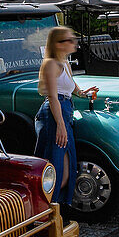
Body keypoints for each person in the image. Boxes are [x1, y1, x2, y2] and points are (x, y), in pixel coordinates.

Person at [35, 27, 96, 205]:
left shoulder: (65, 64)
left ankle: (55, 210)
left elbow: (73, 90)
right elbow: (53, 96)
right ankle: (46, 211)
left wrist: (85, 93)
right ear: (57, 44)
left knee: (66, 170)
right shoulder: (51, 63)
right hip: (54, 114)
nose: (73, 43)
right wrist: (60, 124)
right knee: (55, 168)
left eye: (72, 39)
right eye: (68, 40)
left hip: (65, 110)